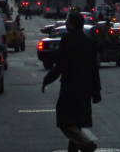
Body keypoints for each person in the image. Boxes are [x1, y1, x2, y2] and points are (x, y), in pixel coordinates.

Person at [42, 12, 101, 152]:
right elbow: (94, 69)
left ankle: (85, 143)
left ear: (73, 24)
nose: (66, 24)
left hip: (70, 87)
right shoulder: (90, 43)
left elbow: (60, 65)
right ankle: (76, 147)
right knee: (77, 122)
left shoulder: (67, 40)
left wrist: (47, 79)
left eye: (68, 22)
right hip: (85, 89)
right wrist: (96, 91)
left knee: (65, 121)